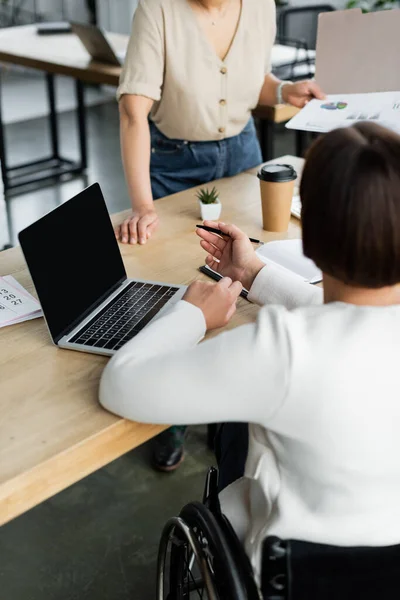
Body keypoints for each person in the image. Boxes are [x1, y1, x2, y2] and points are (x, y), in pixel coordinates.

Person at [100, 121, 400, 582]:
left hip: (297, 574)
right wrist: (254, 273)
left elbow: (122, 385)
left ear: (312, 240)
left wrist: (192, 316)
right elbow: (353, 317)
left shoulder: (285, 351)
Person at [115, 0, 325, 469]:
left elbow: (250, 80)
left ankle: (228, 413)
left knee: (248, 285)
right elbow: (133, 111)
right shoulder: (158, 9)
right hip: (176, 162)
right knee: (178, 290)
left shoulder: (260, 6)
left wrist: (284, 89)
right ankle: (169, 418)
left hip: (244, 154)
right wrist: (144, 205)